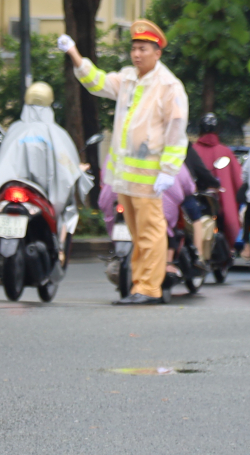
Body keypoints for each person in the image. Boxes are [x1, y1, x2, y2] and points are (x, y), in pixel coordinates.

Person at [60, 20, 189, 306]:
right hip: (124, 177)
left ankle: (149, 288)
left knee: (150, 233)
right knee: (136, 233)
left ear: (158, 53)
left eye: (143, 49)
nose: (137, 54)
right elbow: (97, 82)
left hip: (148, 175)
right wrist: (74, 54)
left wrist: (168, 171)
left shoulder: (169, 86)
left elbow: (176, 131)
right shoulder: (128, 78)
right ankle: (139, 285)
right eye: (134, 49)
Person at [0, 80, 87, 252]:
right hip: (41, 196)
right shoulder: (57, 134)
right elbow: (67, 167)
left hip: (13, 188)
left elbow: (1, 162)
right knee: (68, 209)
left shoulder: (15, 130)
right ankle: (61, 250)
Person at [190, 115, 243, 252]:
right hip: (217, 200)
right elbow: (238, 180)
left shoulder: (192, 150)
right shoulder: (225, 151)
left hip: (196, 197)